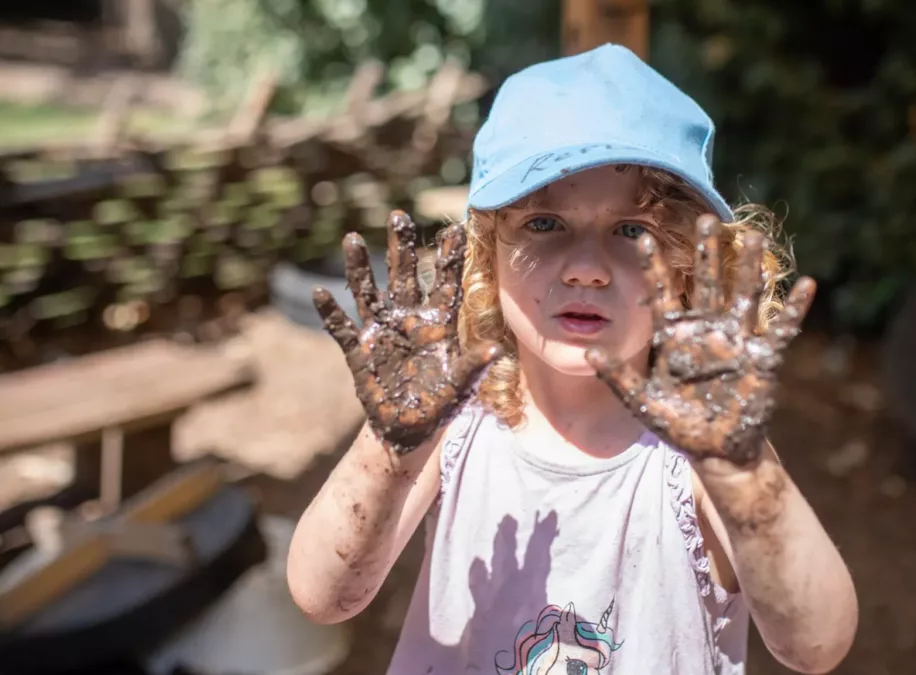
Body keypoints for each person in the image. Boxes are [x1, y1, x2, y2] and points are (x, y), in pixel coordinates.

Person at [286, 44, 858, 674]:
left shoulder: (702, 451)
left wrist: (742, 477)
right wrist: (389, 449)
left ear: (690, 265)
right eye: (544, 223)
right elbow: (325, 597)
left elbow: (815, 645)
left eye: (632, 230)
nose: (586, 269)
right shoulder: (450, 427)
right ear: (487, 253)